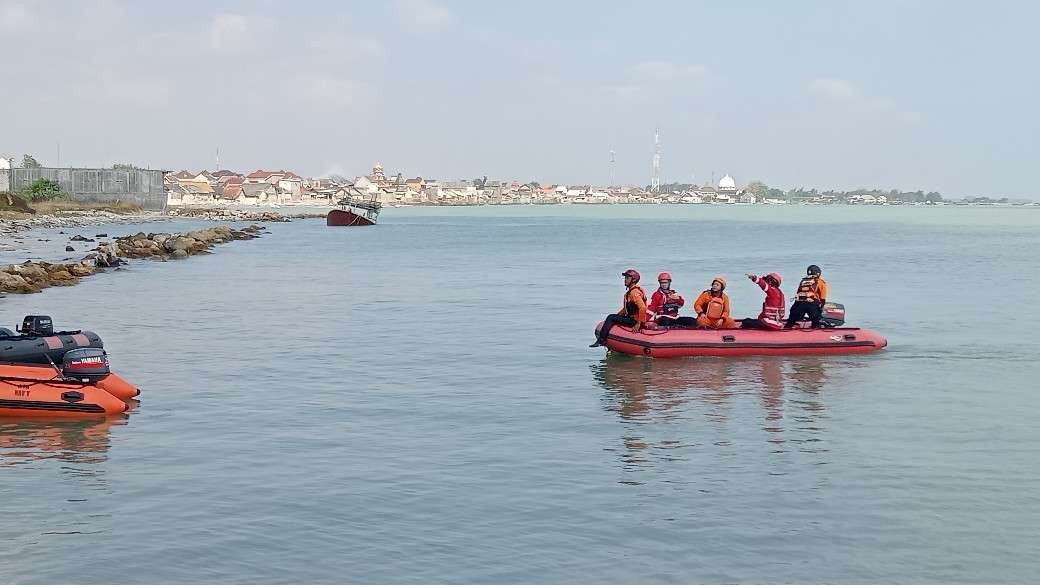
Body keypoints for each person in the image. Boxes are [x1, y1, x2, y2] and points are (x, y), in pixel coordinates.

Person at [590, 269, 648, 347]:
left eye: (627, 278)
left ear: (633, 280)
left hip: (634, 321)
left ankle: (601, 340)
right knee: (612, 317)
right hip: (633, 319)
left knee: (610, 317)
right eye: (625, 278)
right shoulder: (632, 292)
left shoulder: (634, 293)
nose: (625, 280)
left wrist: (638, 323)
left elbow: (643, 308)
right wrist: (617, 316)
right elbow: (626, 309)